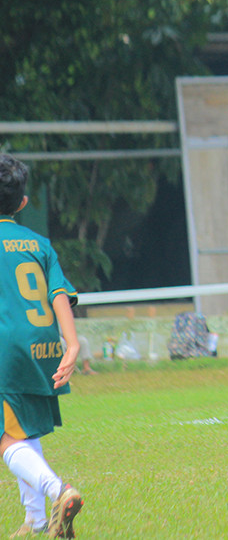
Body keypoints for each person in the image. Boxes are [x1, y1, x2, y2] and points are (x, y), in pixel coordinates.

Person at [0, 154, 84, 538]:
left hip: (7, 346)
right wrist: (72, 344)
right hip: (45, 345)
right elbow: (59, 294)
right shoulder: (38, 242)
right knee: (21, 430)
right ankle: (34, 520)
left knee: (5, 438)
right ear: (22, 203)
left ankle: (59, 491)